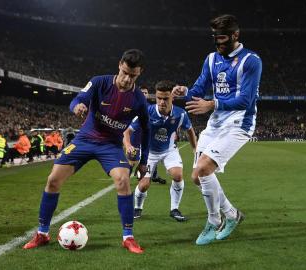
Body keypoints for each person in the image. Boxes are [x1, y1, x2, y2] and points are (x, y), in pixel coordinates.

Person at [23, 49, 150, 254]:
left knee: (123, 180)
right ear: (119, 65)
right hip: (84, 140)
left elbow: (147, 130)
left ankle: (128, 237)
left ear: (140, 72)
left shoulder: (138, 99)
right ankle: (42, 233)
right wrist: (78, 106)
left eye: (132, 75)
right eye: (125, 72)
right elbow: (78, 99)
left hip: (110, 145)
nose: (127, 79)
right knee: (53, 180)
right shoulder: (99, 82)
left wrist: (143, 161)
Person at [172, 14, 262, 245]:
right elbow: (199, 88)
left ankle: (214, 221)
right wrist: (185, 91)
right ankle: (232, 215)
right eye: (215, 39)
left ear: (235, 35)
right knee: (196, 177)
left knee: (202, 169)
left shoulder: (251, 61)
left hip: (239, 122)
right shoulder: (211, 59)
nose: (218, 44)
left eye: (222, 39)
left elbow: (247, 100)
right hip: (216, 122)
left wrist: (212, 104)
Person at [126, 80, 197, 221]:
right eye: (159, 98)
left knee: (177, 175)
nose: (162, 102)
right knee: (144, 184)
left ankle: (174, 209)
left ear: (172, 97)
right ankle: (137, 208)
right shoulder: (146, 112)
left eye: (166, 98)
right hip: (148, 152)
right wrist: (128, 145)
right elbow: (127, 131)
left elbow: (189, 130)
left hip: (169, 150)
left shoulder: (180, 114)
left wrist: (195, 148)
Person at [123, 85, 167, 185]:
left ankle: (152, 176)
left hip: (147, 136)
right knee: (132, 160)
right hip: (135, 135)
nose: (144, 94)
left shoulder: (151, 108)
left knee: (150, 157)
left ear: (148, 95)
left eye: (146, 93)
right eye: (142, 92)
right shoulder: (131, 105)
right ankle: (126, 178)